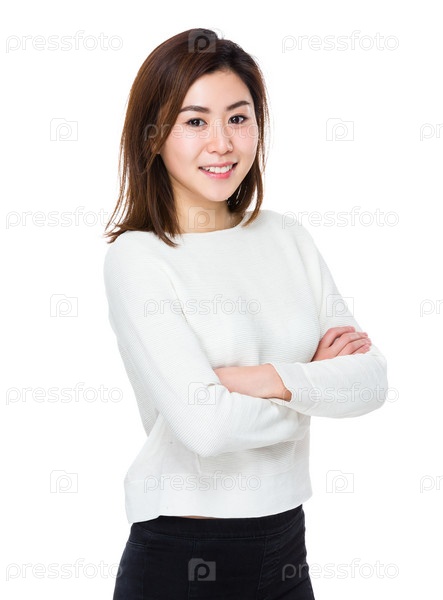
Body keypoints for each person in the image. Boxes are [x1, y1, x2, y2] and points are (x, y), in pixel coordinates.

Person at [103, 27, 388, 600]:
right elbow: (206, 428)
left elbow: (371, 381)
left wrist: (260, 381)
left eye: (238, 118)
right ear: (152, 136)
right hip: (181, 556)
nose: (222, 143)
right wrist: (312, 389)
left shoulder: (287, 238)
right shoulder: (138, 258)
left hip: (286, 548)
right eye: (195, 121)